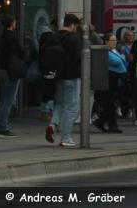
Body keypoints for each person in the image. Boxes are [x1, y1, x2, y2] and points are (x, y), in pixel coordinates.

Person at [45, 13, 83, 147]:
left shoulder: (54, 37)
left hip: (56, 76)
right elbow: (79, 58)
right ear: (72, 25)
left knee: (60, 104)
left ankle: (52, 124)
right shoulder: (74, 39)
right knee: (71, 108)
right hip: (71, 77)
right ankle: (65, 137)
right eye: (76, 26)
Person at [92, 33, 128, 134]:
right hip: (110, 80)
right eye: (112, 40)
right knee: (110, 104)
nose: (115, 42)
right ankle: (112, 126)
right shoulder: (104, 52)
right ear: (106, 41)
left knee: (112, 104)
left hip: (118, 81)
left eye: (115, 40)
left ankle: (100, 122)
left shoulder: (114, 50)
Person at [0, 16, 26, 137]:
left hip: (2, 69)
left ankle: (0, 125)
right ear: (12, 24)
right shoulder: (13, 37)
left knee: (3, 99)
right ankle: (2, 127)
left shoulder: (2, 36)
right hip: (11, 70)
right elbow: (21, 52)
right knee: (8, 100)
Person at [37, 18, 58, 121]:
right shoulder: (48, 36)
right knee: (48, 89)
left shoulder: (45, 35)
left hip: (46, 65)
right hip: (48, 66)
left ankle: (48, 110)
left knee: (48, 88)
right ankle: (47, 111)